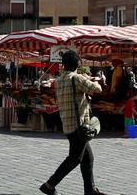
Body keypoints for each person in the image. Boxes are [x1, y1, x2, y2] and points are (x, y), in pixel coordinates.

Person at [40, 50, 106, 195]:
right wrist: (94, 80)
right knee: (74, 159)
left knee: (88, 158)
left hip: (68, 125)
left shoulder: (59, 81)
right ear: (78, 63)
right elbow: (98, 89)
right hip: (79, 127)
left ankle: (90, 190)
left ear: (63, 65)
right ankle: (49, 185)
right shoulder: (78, 78)